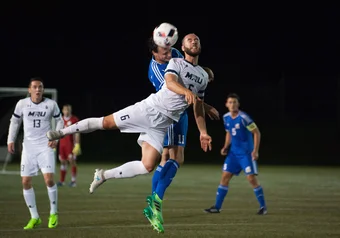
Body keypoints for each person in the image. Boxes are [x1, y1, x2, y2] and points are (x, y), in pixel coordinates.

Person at [46, 33, 212, 233]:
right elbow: (169, 82)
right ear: (182, 47)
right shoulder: (175, 61)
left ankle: (104, 175)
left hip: (162, 125)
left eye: (197, 40)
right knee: (105, 123)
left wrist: (203, 132)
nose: (194, 41)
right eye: (189, 39)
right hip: (148, 110)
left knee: (147, 165)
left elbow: (198, 107)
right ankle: (62, 132)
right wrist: (185, 92)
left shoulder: (203, 76)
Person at [146, 36, 219, 225]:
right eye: (162, 51)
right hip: (168, 111)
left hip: (182, 113)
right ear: (154, 53)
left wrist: (204, 74)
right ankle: (154, 203)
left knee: (170, 158)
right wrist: (207, 106)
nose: (166, 53)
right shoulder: (156, 69)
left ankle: (154, 202)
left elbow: (190, 81)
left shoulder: (177, 56)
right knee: (171, 157)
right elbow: (173, 91)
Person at [7, 77, 63, 229]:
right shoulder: (22, 104)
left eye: (40, 87)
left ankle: (53, 213)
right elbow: (15, 122)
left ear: (43, 89)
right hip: (29, 148)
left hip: (45, 146)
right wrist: (10, 140)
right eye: (35, 87)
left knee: (49, 179)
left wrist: (56, 137)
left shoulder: (51, 104)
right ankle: (35, 217)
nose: (38, 90)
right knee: (25, 182)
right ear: (29, 89)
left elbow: (60, 121)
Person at [204, 93, 267, 215]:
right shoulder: (226, 117)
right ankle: (217, 207)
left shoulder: (244, 118)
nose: (232, 104)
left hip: (246, 154)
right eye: (230, 102)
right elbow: (229, 133)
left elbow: (257, 133)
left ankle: (263, 207)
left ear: (238, 104)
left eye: (234, 102)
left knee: (251, 179)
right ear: (226, 104)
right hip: (233, 154)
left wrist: (255, 150)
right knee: (225, 177)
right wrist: (225, 146)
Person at [57, 104, 81, 187]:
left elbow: (77, 133)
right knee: (63, 162)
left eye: (68, 110)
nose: (67, 111)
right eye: (65, 110)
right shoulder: (60, 120)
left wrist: (77, 144)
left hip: (70, 144)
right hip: (62, 144)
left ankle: (73, 181)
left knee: (72, 161)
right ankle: (62, 181)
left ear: (70, 111)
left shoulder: (74, 119)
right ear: (63, 111)